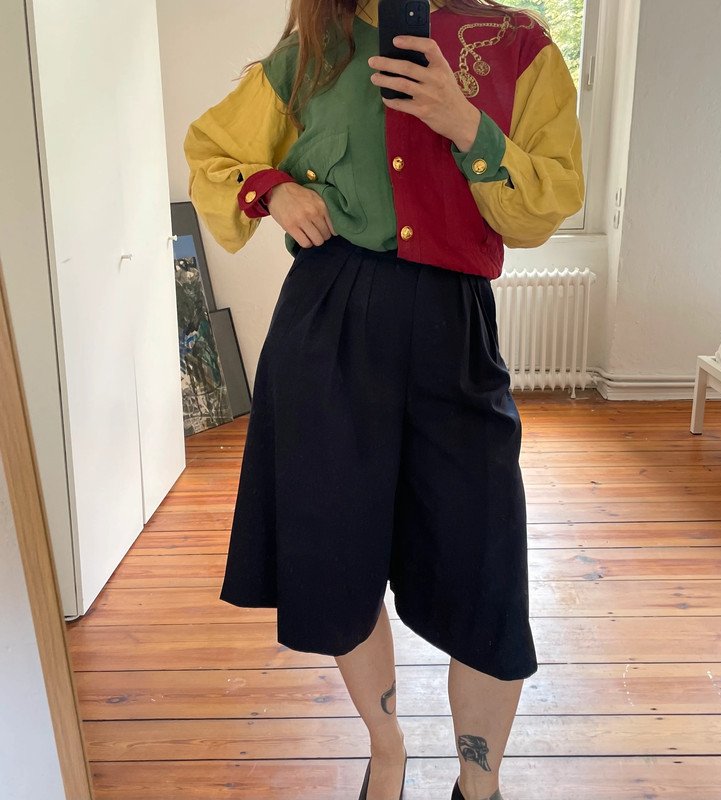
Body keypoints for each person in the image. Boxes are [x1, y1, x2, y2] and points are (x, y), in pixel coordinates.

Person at [183, 1, 584, 798]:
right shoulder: (315, 49)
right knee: (340, 550)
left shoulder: (520, 46)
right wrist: (270, 189)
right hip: (329, 321)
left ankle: (479, 784)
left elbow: (546, 202)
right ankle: (387, 750)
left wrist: (466, 125)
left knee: (486, 563)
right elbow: (213, 150)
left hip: (455, 327)